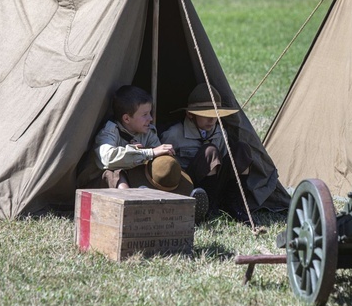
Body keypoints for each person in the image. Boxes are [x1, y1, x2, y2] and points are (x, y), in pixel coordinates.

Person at [76, 85, 209, 223]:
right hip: (99, 182)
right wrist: (148, 152)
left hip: (135, 179)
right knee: (115, 173)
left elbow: (157, 158)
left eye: (150, 113)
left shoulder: (148, 132)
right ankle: (131, 207)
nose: (150, 118)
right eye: (144, 115)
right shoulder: (109, 132)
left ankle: (186, 205)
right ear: (127, 119)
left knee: (161, 168)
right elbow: (107, 158)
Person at [160, 83, 253, 223]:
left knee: (242, 149)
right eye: (206, 115)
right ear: (190, 114)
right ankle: (207, 209)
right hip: (189, 184)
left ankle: (235, 204)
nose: (212, 120)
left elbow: (223, 163)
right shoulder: (174, 135)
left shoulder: (220, 133)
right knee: (210, 151)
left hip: (216, 184)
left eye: (216, 115)